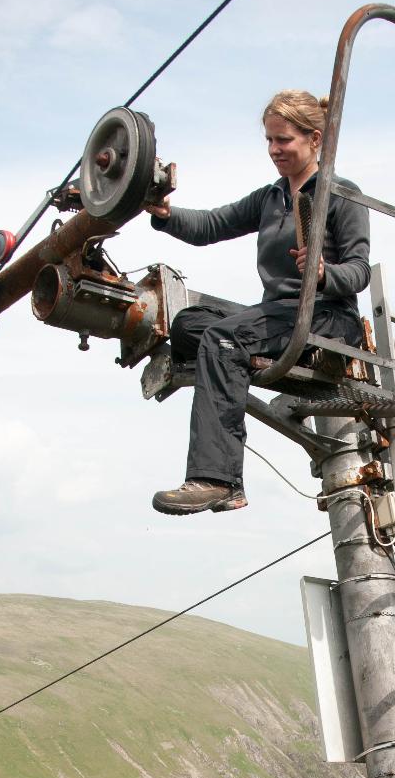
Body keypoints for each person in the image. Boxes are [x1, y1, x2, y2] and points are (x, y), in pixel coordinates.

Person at [149, 90, 370, 514]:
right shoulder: (271, 198)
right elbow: (212, 224)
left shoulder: (340, 194)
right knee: (189, 326)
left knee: (222, 339)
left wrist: (325, 273)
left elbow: (359, 269)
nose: (274, 150)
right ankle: (241, 363)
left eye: (283, 140)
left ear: (314, 139)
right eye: (269, 140)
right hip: (281, 314)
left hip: (325, 317)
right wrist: (164, 214)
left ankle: (218, 478)